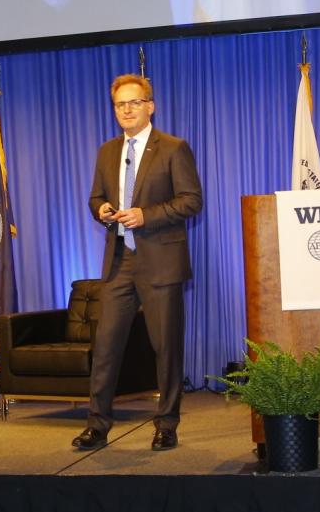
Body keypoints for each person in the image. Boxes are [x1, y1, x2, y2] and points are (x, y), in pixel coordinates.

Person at [73, 74, 203, 451]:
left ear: (150, 106)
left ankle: (166, 424)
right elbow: (95, 197)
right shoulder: (107, 151)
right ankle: (97, 425)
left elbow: (192, 200)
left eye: (134, 103)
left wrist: (147, 215)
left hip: (161, 261)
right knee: (106, 347)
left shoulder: (173, 148)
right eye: (119, 105)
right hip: (119, 262)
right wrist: (102, 209)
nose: (126, 110)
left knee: (166, 348)